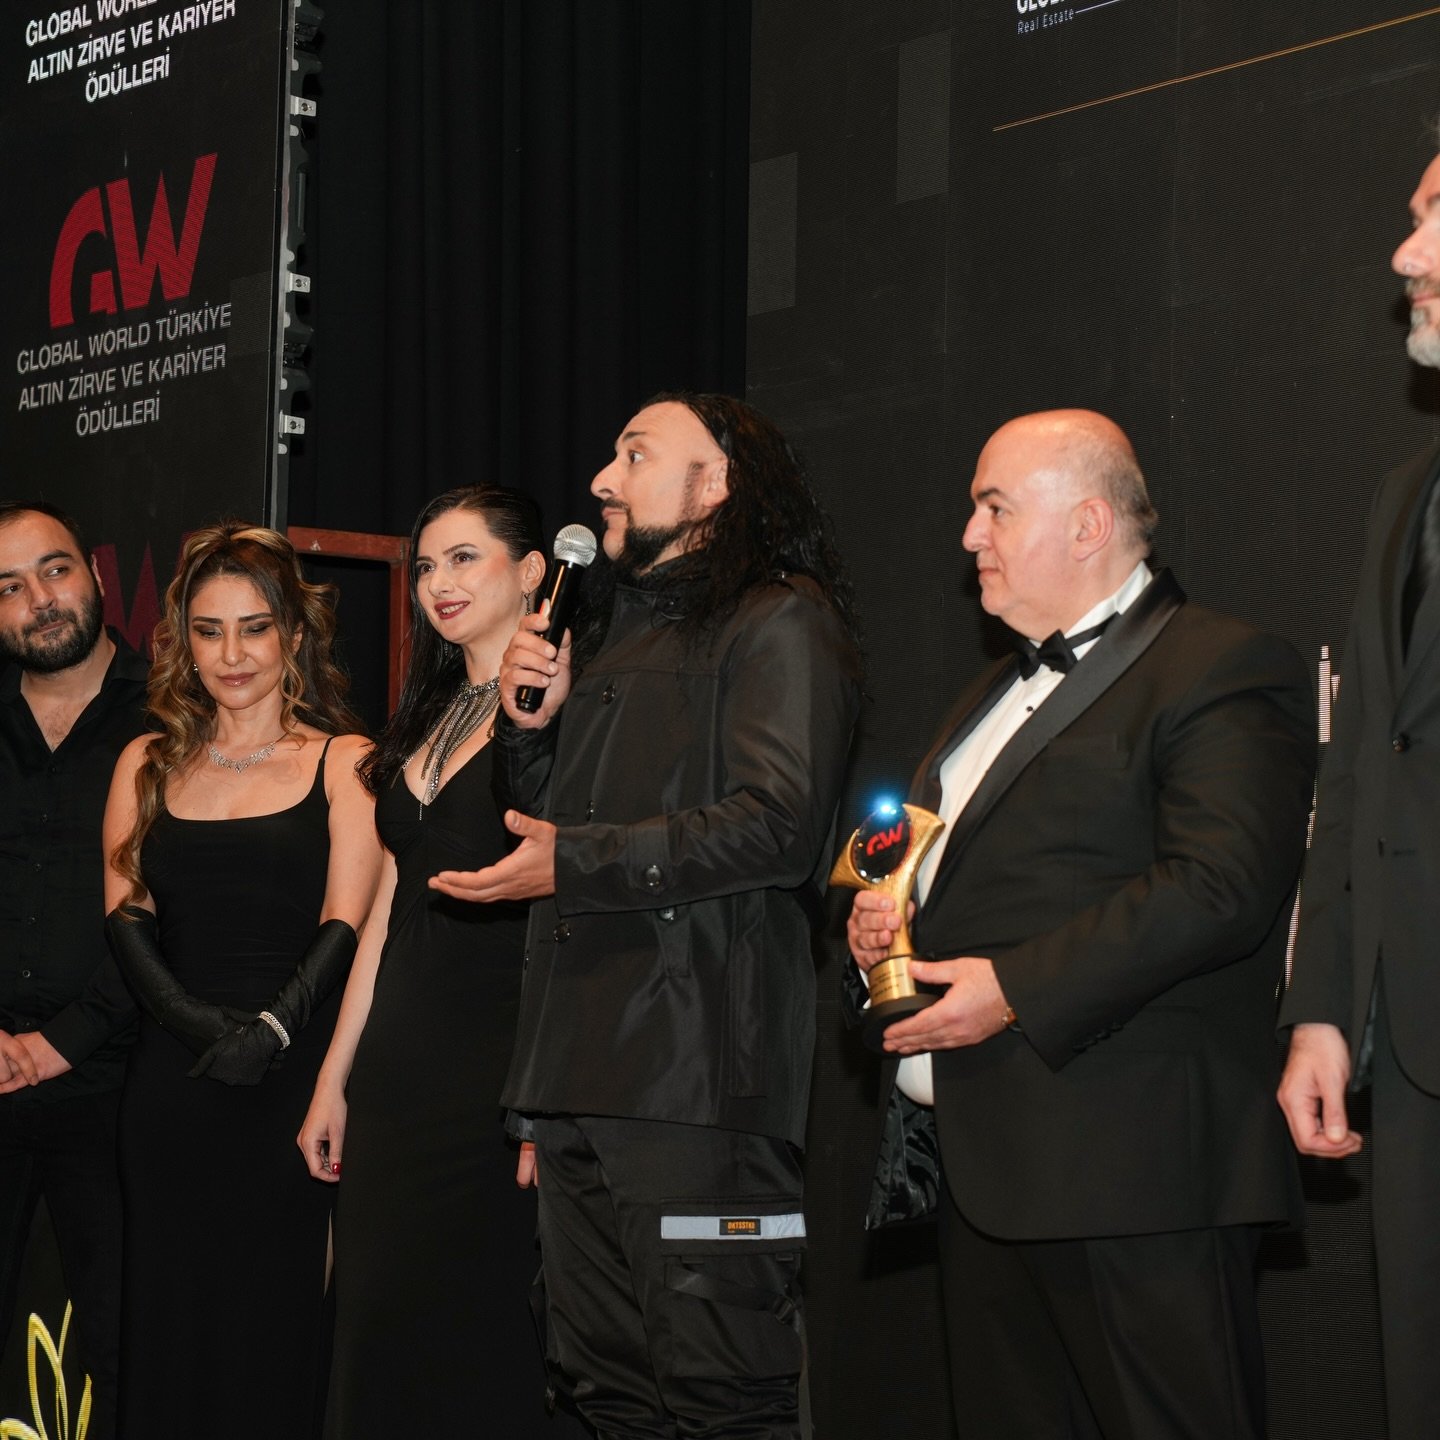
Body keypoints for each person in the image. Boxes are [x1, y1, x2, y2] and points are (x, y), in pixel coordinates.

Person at [847, 409, 1315, 1440]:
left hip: (1138, 1176)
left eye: (994, 508)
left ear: (1089, 524)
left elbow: (1220, 886)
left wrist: (1014, 991)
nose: (969, 535)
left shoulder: (1223, 663)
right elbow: (942, 872)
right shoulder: (986, 694)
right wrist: (885, 926)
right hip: (986, 1169)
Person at [430, 392, 863, 1438]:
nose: (601, 482)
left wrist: (574, 861)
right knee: (602, 1390)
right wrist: (532, 729)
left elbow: (780, 828)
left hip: (696, 1084)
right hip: (579, 1078)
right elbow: (551, 823)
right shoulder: (614, 633)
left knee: (724, 1395)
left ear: (715, 486)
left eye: (634, 456)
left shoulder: (782, 619)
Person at [298, 487, 589, 1435]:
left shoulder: (568, 707)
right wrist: (336, 1077)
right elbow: (388, 908)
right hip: (399, 1074)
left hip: (497, 1067)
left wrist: (550, 1098)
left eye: (465, 558)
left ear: (534, 571)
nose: (437, 583)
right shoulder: (431, 711)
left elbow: (577, 913)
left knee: (476, 1335)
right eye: (426, 565)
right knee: (375, 1326)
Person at [101, 523, 382, 1440]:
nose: (232, 654)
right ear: (183, 640)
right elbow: (127, 916)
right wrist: (201, 1029)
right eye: (210, 630)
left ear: (294, 637)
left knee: (276, 1325)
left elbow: (347, 919)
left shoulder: (346, 761)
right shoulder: (146, 762)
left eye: (254, 629)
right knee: (167, 1320)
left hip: (292, 1091)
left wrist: (269, 1033)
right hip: (170, 1087)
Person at [1277, 144, 1440, 1437]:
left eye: (1439, 219)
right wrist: (1326, 1008)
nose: (1405, 255)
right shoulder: (1402, 498)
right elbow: (1358, 772)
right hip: (1418, 1057)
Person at [0, 502, 147, 1437]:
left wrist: (61, 1042)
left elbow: (181, 908)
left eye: (54, 570)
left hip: (118, 1081)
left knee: (125, 1341)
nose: (39, 599)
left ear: (94, 571)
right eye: (9, 586)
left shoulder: (174, 713)